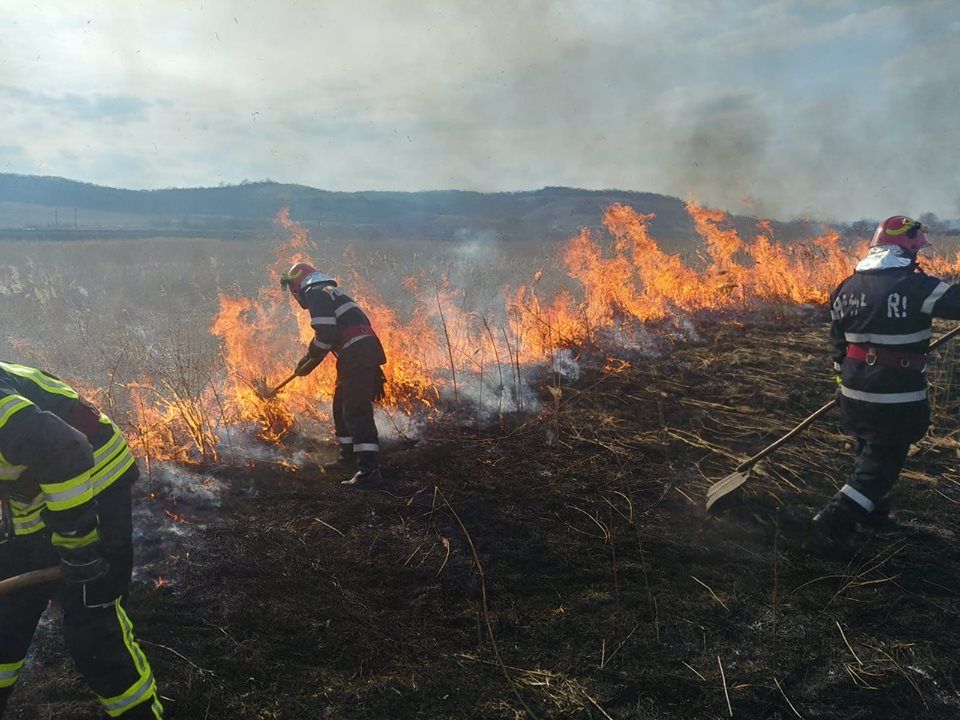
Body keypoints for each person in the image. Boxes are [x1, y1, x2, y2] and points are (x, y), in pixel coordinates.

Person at [0, 362, 164, 719]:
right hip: (33, 497)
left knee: (91, 630)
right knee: (5, 617)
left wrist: (77, 543)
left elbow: (66, 449)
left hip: (91, 482)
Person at [809, 215, 960, 551]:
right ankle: (834, 521)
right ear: (906, 250)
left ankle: (874, 515)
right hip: (894, 397)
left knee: (869, 450)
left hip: (852, 394)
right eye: (916, 250)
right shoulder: (916, 287)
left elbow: (838, 346)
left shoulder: (846, 288)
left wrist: (844, 384)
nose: (917, 257)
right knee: (883, 464)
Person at [280, 262, 388, 490]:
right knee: (341, 405)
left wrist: (310, 355)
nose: (294, 294)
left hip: (356, 355)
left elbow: (326, 334)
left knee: (356, 411)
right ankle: (348, 457)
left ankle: (369, 472)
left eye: (292, 287)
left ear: (299, 282)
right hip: (359, 354)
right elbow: (341, 332)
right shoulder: (331, 292)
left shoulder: (315, 293)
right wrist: (306, 364)